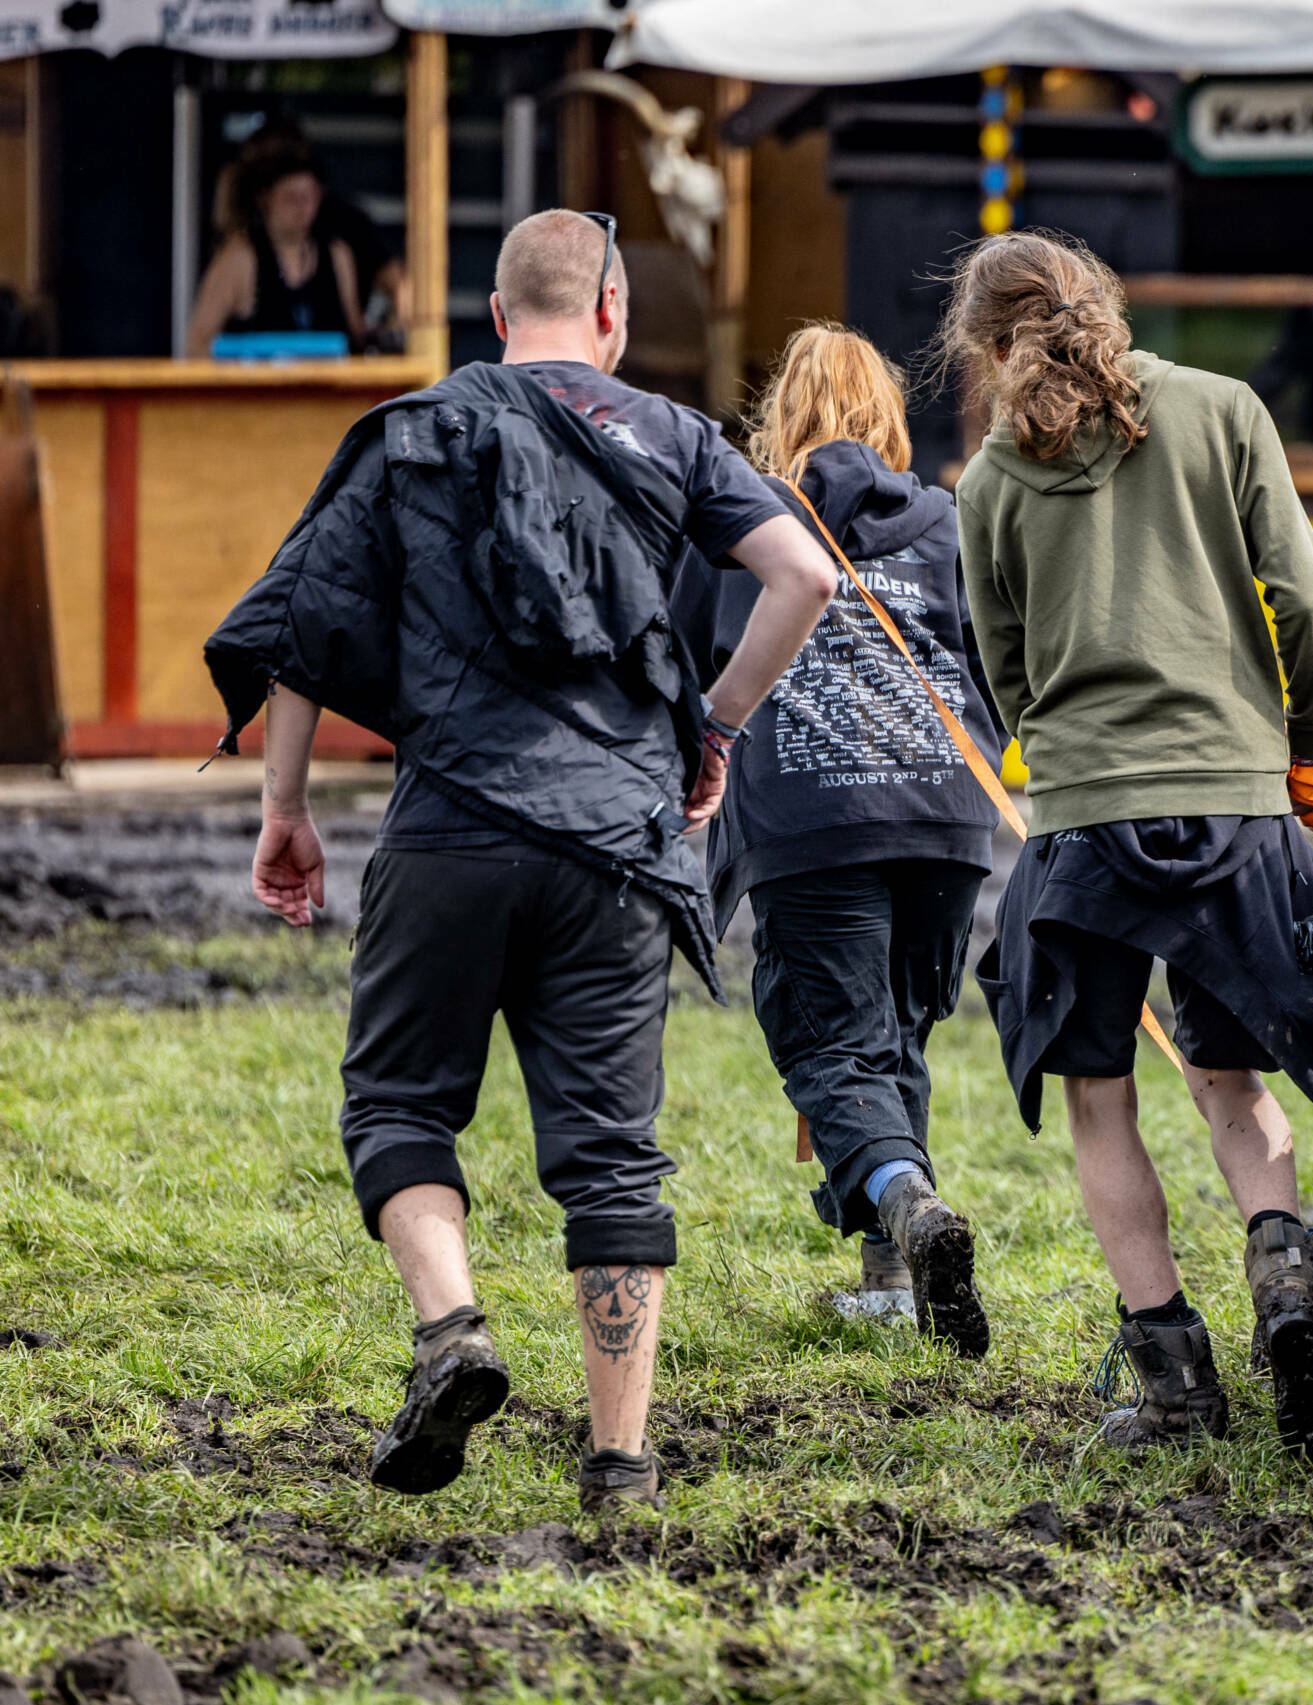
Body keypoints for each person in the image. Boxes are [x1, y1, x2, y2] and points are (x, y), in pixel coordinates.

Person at [205, 210, 839, 1514]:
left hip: (446, 831)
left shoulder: (414, 427)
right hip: (613, 844)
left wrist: (286, 809)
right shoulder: (672, 435)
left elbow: (303, 626)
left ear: (496, 320)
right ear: (610, 312)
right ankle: (621, 1466)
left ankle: (453, 1330)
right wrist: (712, 725)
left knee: (397, 1105)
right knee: (612, 1154)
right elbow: (804, 576)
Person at [947, 230, 1313, 1456]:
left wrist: (1065, 751)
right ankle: (1288, 1285)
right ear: (1107, 308)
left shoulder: (987, 480)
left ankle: (1174, 1381)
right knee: (1230, 1078)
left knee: (1098, 1094)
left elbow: (1002, 666)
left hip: (1082, 819)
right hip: (1237, 799)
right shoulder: (1224, 411)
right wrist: (1310, 739)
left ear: (986, 344)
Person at [697, 322, 1000, 1353]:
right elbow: (1000, 664)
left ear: (782, 416)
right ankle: (893, 1275)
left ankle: (910, 1209)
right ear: (889, 415)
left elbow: (694, 655)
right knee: (895, 1033)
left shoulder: (747, 521)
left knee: (829, 1041)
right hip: (946, 817)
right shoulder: (948, 523)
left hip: (813, 819)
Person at [184, 143, 365, 357]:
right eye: (290, 198)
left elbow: (356, 337)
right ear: (265, 199)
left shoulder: (338, 254)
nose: (302, 207)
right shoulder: (240, 258)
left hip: (326, 386)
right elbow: (197, 343)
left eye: (309, 197)